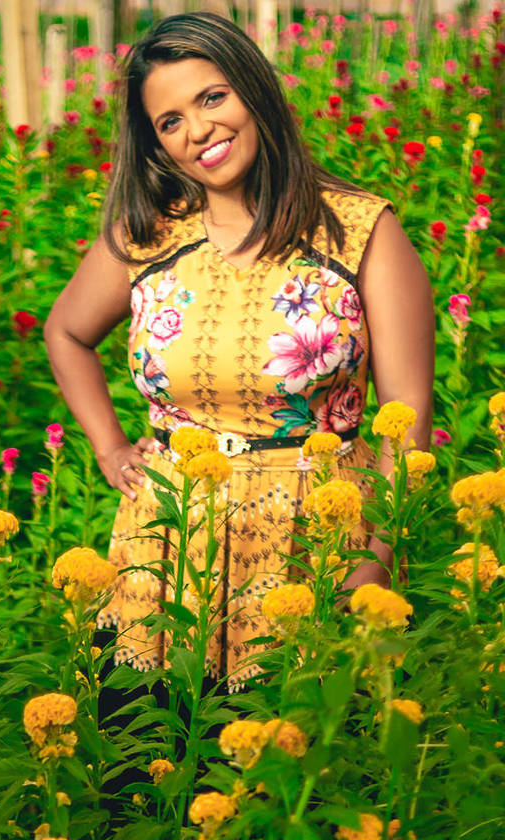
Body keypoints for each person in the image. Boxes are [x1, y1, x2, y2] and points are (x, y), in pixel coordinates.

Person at [43, 12, 435, 690]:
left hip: (316, 545)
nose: (198, 130)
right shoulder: (148, 238)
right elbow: (67, 333)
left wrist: (375, 560)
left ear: (255, 91)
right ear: (157, 144)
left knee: (302, 741)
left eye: (212, 97)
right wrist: (110, 447)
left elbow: (408, 411)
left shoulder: (360, 231)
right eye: (170, 121)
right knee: (153, 744)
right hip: (167, 552)